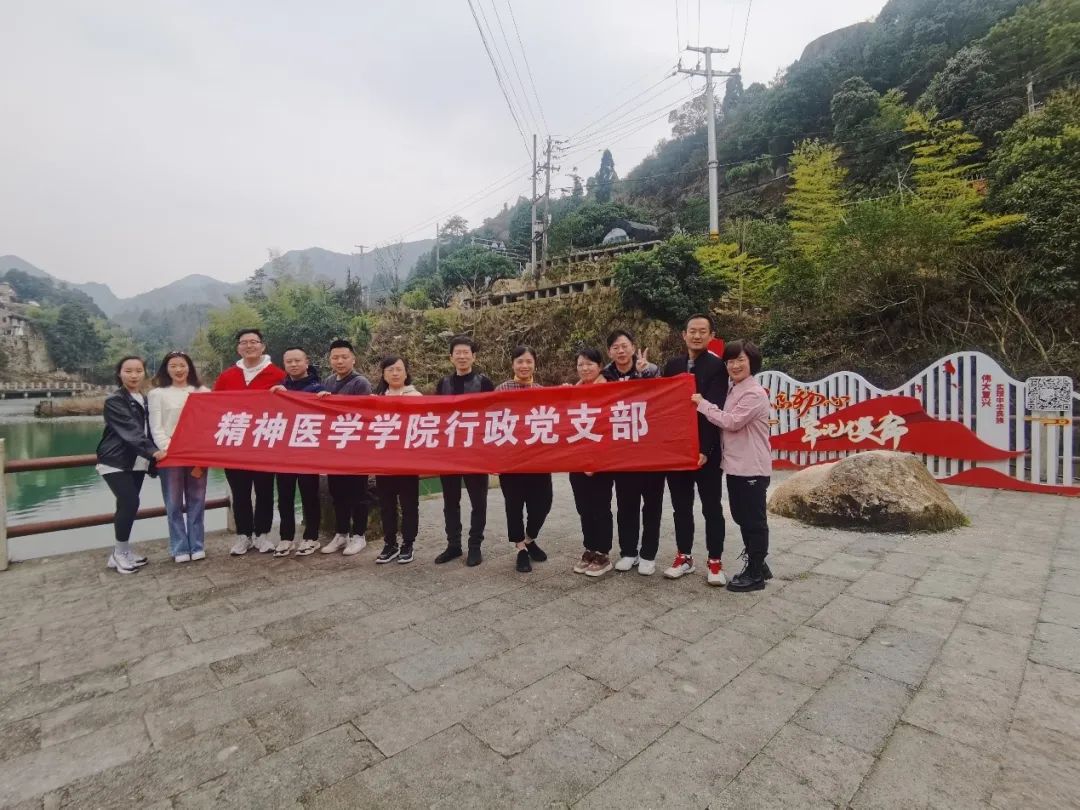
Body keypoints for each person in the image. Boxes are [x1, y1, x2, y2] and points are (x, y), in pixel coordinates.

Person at [692, 340, 774, 591]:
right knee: (740, 516)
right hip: (736, 467)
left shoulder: (754, 393)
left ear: (752, 362)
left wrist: (703, 404)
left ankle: (755, 573)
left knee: (754, 521)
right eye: (730, 361)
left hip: (752, 467)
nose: (735, 365)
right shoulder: (733, 388)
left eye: (741, 360)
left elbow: (732, 421)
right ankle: (758, 563)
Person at [662, 313, 730, 584]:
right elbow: (661, 405)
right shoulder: (673, 366)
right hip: (677, 450)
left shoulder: (717, 367)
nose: (697, 335)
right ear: (684, 334)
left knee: (711, 507)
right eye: (693, 330)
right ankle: (684, 556)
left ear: (712, 336)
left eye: (703, 331)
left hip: (707, 452)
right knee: (681, 507)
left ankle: (715, 562)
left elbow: (715, 410)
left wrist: (705, 448)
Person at [213, 329, 285, 556]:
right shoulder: (227, 376)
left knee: (265, 491)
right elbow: (214, 408)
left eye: (254, 342)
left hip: (265, 443)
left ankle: (262, 535)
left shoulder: (277, 374)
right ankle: (243, 535)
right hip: (235, 444)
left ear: (263, 346)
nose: (249, 346)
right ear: (238, 348)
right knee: (240, 493)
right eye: (244, 342)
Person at [602, 328, 664, 576]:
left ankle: (648, 554)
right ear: (609, 352)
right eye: (615, 347)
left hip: (651, 452)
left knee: (652, 506)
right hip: (622, 453)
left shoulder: (651, 370)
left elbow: (662, 398)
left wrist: (644, 373)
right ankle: (628, 552)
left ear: (633, 347)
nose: (621, 351)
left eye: (624, 346)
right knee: (626, 505)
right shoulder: (604, 376)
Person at [98, 356, 166, 574]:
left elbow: (152, 428)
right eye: (128, 371)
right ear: (119, 374)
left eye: (138, 371)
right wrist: (154, 451)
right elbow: (131, 431)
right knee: (129, 502)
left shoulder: (144, 398)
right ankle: (119, 553)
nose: (134, 375)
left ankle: (122, 551)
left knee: (127, 505)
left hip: (138, 461)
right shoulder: (115, 400)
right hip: (116, 460)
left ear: (144, 373)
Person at [432, 335, 495, 567]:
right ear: (451, 357)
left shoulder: (484, 382)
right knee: (450, 501)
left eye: (466, 352)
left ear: (473, 356)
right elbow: (437, 415)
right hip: (449, 452)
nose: (461, 356)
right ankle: (454, 545)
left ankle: (475, 546)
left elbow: (493, 414)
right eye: (457, 353)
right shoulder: (443, 384)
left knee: (478, 501)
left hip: (476, 452)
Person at [148, 351, 209, 563]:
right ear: (166, 369)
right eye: (173, 366)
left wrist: (200, 448)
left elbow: (208, 423)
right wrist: (170, 449)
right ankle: (180, 547)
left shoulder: (203, 392)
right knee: (173, 503)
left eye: (182, 365)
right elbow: (156, 427)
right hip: (169, 454)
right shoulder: (157, 394)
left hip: (197, 453)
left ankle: (197, 545)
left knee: (197, 500)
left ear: (189, 367)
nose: (178, 370)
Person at [496, 346, 551, 573]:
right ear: (512, 364)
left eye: (529, 361)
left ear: (535, 364)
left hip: (538, 461)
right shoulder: (501, 390)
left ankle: (529, 539)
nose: (524, 366)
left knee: (543, 504)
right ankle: (520, 549)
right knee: (514, 506)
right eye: (520, 361)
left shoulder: (542, 391)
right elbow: (491, 422)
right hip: (511, 461)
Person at [317, 338, 372, 556]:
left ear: (353, 359)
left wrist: (334, 403)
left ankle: (359, 535)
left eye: (344, 357)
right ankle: (341, 533)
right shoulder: (328, 381)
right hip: (335, 448)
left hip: (356, 448)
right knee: (337, 493)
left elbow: (362, 413)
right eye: (335, 357)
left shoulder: (361, 383)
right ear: (330, 360)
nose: (339, 361)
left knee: (358, 493)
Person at [269, 347, 324, 557]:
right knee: (284, 496)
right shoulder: (278, 388)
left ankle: (311, 537)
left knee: (310, 495)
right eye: (289, 361)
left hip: (308, 450)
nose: (293, 364)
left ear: (306, 362)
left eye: (297, 360)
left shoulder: (318, 388)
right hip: (284, 451)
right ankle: (286, 538)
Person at [569, 348, 615, 577]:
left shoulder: (609, 390)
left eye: (589, 364)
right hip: (577, 460)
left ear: (600, 366)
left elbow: (610, 427)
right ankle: (589, 548)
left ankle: (603, 553)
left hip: (602, 461)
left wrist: (596, 460)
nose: (585, 368)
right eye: (580, 364)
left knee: (600, 507)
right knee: (583, 508)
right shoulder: (573, 391)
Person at [372, 355, 422, 564]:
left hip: (408, 462)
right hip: (384, 462)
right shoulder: (375, 399)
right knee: (386, 504)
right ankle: (390, 543)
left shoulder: (416, 397)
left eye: (399, 369)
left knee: (409, 504)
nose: (395, 373)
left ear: (406, 372)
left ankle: (408, 543)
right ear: (383, 374)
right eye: (390, 370)